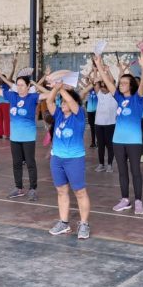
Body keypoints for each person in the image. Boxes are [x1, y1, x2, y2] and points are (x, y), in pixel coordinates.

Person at [96, 51, 143, 215]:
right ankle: (125, 199)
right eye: (121, 82)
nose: (121, 84)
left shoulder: (138, 98)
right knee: (122, 171)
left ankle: (138, 201)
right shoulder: (119, 98)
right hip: (118, 140)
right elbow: (107, 81)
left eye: (125, 83)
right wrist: (98, 65)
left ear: (131, 85)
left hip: (134, 141)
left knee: (135, 171)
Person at [0, 68, 45, 202]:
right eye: (18, 85)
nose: (20, 87)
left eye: (23, 85)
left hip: (28, 137)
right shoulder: (12, 96)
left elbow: (49, 95)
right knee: (16, 163)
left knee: (30, 163)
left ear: (29, 86)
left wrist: (49, 86)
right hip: (15, 137)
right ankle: (18, 188)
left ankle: (33, 189)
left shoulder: (33, 97)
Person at [45, 82, 91, 239]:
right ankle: (64, 223)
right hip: (57, 159)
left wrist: (62, 88)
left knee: (79, 191)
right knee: (61, 191)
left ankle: (84, 224)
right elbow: (49, 101)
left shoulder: (79, 115)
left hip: (74, 159)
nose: (62, 104)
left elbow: (72, 101)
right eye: (62, 101)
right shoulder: (58, 115)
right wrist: (55, 89)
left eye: (64, 102)